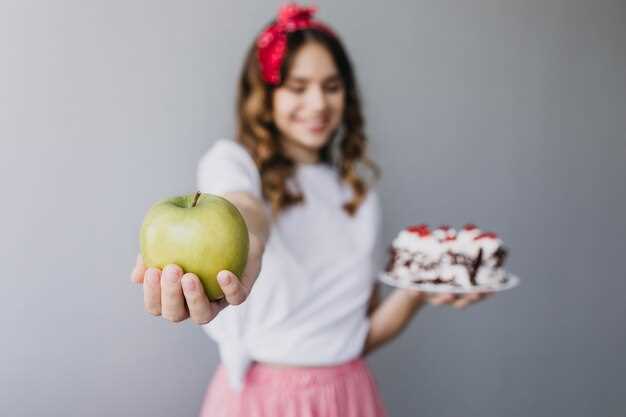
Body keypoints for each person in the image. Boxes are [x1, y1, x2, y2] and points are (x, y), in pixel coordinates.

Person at [130, 4, 493, 416]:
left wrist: (417, 292)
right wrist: (248, 247)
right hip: (264, 402)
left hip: (350, 396)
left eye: (332, 86)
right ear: (266, 94)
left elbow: (359, 332)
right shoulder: (233, 163)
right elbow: (244, 207)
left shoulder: (357, 194)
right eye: (297, 87)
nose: (318, 103)